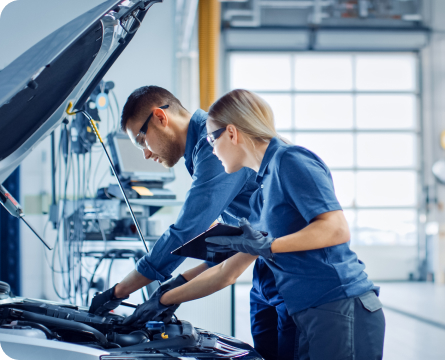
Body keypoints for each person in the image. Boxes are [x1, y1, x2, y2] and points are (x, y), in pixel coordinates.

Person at [125, 89, 386, 360]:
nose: (210, 150)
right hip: (308, 309)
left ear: (232, 133)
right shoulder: (262, 188)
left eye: (211, 139)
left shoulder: (291, 160)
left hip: (338, 303)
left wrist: (269, 245)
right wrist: (165, 297)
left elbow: (336, 229)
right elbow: (227, 269)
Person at [88, 86, 298, 360]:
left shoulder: (216, 146)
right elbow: (237, 237)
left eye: (142, 141)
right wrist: (176, 283)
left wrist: (119, 291)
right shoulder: (203, 153)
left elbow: (185, 232)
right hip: (265, 273)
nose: (146, 154)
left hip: (295, 275)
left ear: (160, 117)